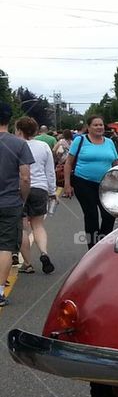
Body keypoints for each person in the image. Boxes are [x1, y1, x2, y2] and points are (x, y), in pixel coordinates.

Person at [62, 114, 118, 249]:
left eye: (101, 125)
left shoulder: (109, 142)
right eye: (95, 125)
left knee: (109, 215)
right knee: (91, 215)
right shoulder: (80, 140)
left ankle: (103, 245)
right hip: (83, 182)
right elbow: (68, 163)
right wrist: (67, 184)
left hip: (106, 184)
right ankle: (92, 248)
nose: (99, 127)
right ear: (88, 127)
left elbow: (115, 163)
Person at [0, 103, 34, 306]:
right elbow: (25, 177)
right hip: (9, 201)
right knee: (4, 247)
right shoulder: (19, 144)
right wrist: (23, 198)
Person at [14, 117, 56, 274]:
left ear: (19, 130)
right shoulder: (43, 146)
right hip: (40, 187)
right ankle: (44, 253)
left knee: (23, 227)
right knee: (38, 225)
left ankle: (28, 263)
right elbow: (50, 171)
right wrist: (52, 192)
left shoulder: (16, 145)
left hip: (20, 188)